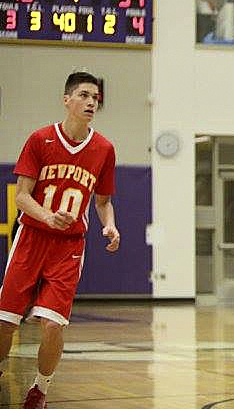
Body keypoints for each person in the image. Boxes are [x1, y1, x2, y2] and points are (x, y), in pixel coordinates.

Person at [0, 71, 120, 409]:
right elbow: (22, 197)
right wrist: (47, 216)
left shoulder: (104, 148)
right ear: (66, 100)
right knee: (4, 322)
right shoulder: (40, 139)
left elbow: (103, 201)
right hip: (31, 236)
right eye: (84, 95)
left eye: (95, 98)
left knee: (53, 325)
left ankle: (40, 390)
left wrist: (110, 226)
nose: (91, 102)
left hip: (68, 246)